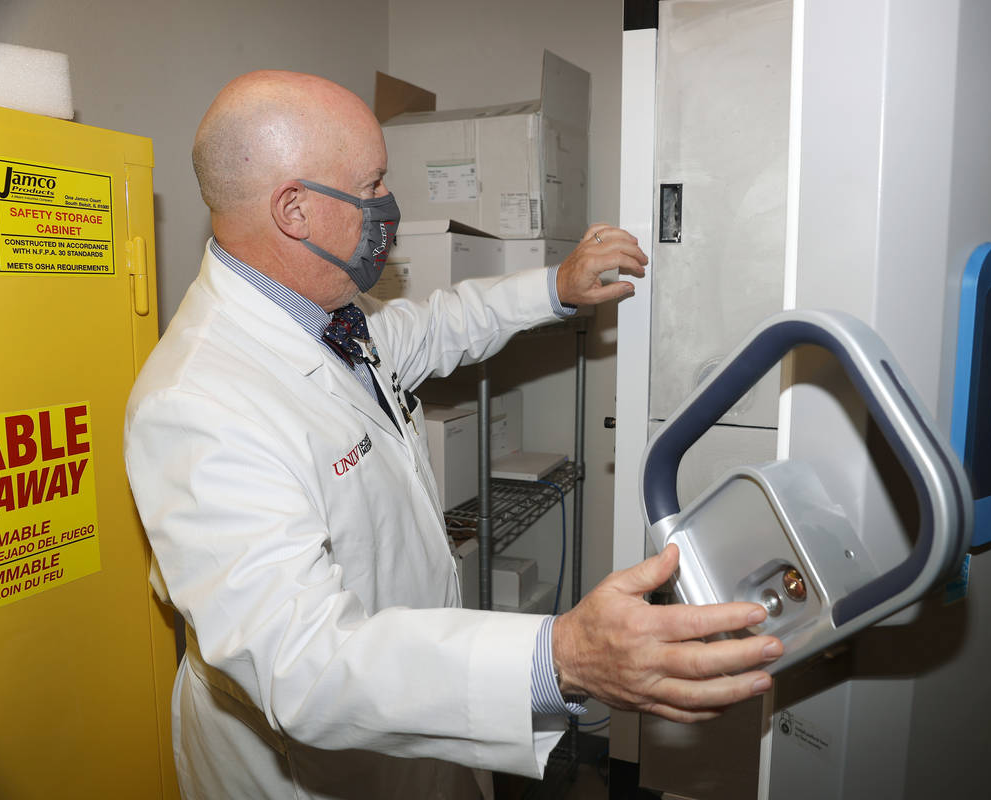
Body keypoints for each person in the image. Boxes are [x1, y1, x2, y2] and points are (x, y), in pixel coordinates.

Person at [124, 70, 783, 800]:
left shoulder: (331, 314)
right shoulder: (198, 404)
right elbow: (303, 663)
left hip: (414, 736)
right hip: (313, 773)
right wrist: (559, 655)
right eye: (372, 186)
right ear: (295, 211)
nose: (389, 210)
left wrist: (554, 287)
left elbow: (437, 327)